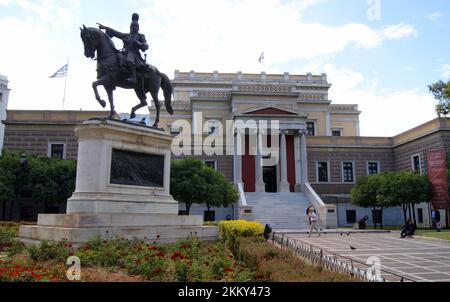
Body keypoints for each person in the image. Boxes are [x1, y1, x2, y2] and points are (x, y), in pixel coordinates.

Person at [99, 13, 149, 84]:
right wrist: (105, 28)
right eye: (132, 26)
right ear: (130, 27)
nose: (134, 27)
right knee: (116, 58)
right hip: (125, 53)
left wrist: (138, 43)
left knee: (129, 60)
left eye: (135, 26)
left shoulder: (141, 36)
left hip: (135, 54)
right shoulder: (126, 36)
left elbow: (146, 46)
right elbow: (116, 33)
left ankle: (133, 78)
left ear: (138, 28)